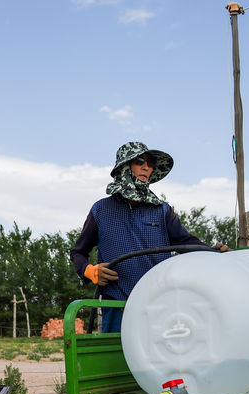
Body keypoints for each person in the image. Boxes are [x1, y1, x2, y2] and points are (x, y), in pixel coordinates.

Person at [70, 141, 227, 334]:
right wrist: (90, 271)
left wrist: (214, 253)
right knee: (117, 361)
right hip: (116, 303)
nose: (146, 167)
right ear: (124, 167)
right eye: (139, 161)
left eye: (150, 163)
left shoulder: (162, 210)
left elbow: (185, 242)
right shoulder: (101, 210)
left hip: (158, 302)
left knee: (158, 360)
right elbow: (78, 252)